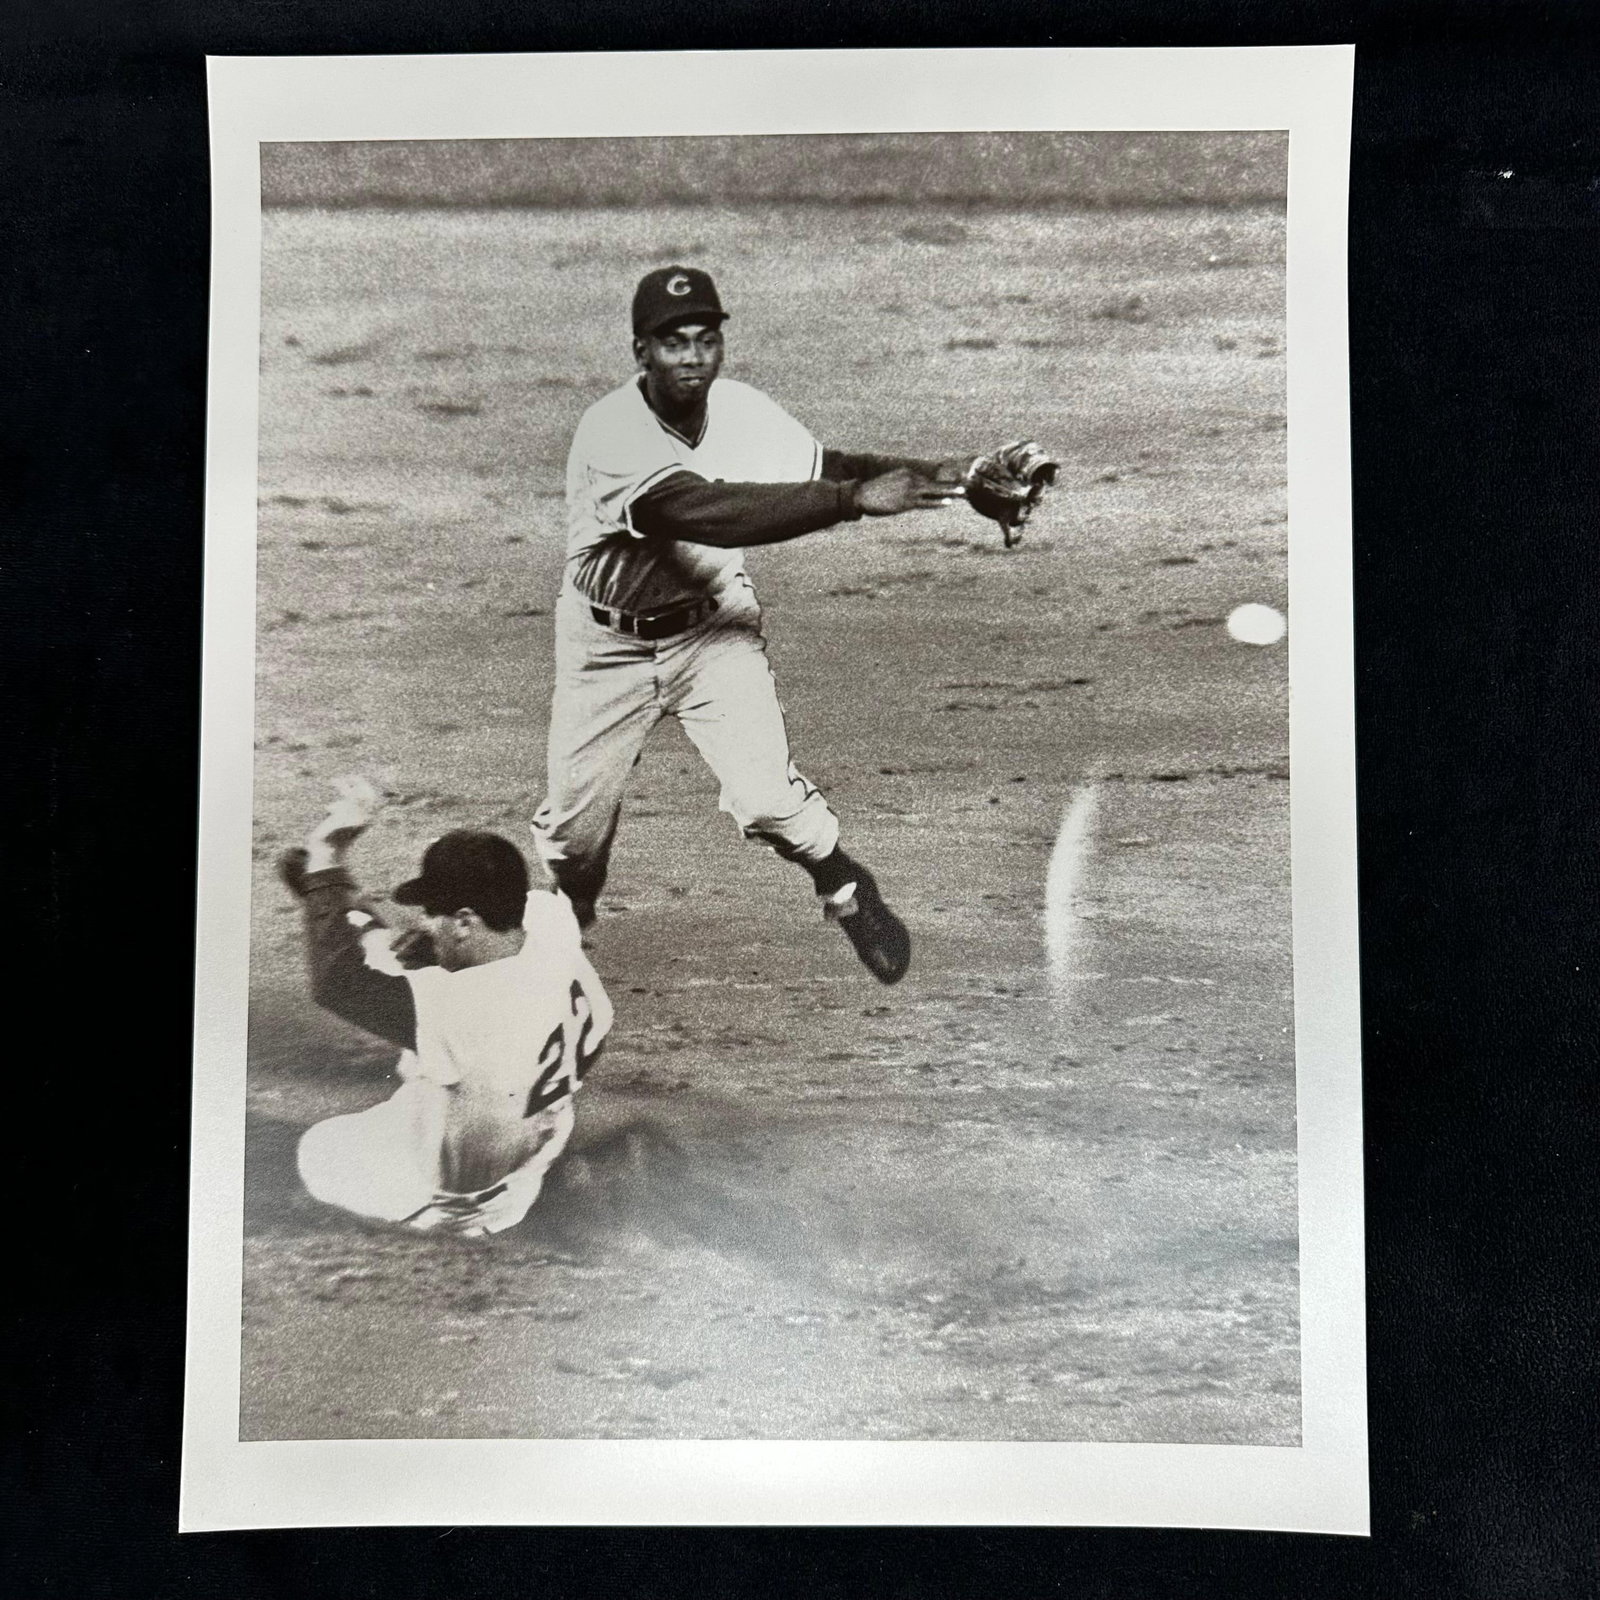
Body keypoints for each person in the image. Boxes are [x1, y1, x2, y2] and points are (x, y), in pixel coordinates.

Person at [530, 265, 979, 984]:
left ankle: (845, 886)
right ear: (641, 351)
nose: (693, 357)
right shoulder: (611, 431)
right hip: (606, 646)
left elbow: (825, 466)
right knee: (572, 838)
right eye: (674, 342)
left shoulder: (740, 409)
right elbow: (701, 511)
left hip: (712, 632)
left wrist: (951, 475)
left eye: (706, 340)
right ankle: (568, 922)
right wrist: (851, 501)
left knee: (769, 800)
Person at [279, 781, 612, 1237]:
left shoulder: (462, 1007)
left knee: (318, 1149)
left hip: (448, 1198)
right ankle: (348, 913)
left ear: (465, 921)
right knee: (417, 965)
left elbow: (337, 982)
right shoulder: (549, 925)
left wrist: (326, 855)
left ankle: (344, 913)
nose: (425, 919)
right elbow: (428, 953)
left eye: (433, 912)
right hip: (524, 1170)